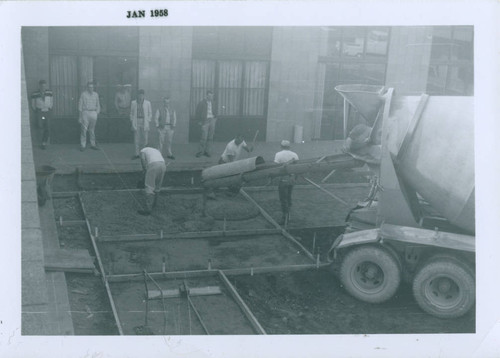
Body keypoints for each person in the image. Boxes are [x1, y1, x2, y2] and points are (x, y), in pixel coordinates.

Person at [274, 140, 299, 225]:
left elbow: (276, 167)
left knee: (283, 198)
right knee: (288, 196)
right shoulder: (294, 155)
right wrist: (295, 178)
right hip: (291, 178)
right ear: (289, 146)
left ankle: (285, 217)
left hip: (283, 179)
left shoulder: (278, 154)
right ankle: (288, 215)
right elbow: (297, 168)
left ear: (281, 146)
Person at [138, 145, 167, 216]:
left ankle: (148, 209)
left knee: (149, 186)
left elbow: (142, 160)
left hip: (153, 165)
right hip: (163, 165)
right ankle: (154, 204)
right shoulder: (156, 150)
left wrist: (144, 170)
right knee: (157, 186)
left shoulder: (143, 150)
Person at [78, 81, 101, 151]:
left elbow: (98, 104)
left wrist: (96, 112)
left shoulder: (96, 94)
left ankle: (93, 144)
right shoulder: (83, 94)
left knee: (92, 130)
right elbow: (80, 105)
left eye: (92, 87)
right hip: (85, 112)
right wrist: (80, 116)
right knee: (84, 130)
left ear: (93, 87)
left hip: (93, 113)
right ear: (87, 87)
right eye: (89, 87)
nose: (91, 88)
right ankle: (83, 145)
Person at [130, 89, 152, 159]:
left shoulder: (147, 103)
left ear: (144, 95)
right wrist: (132, 120)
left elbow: (150, 113)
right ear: (137, 95)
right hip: (137, 121)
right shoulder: (133, 103)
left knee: (145, 138)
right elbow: (131, 113)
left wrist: (148, 120)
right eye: (139, 95)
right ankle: (136, 154)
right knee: (136, 138)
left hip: (144, 121)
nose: (140, 96)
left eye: (142, 95)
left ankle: (145, 154)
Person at [31, 79, 53, 149]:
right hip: (40, 112)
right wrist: (37, 110)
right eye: (42, 86)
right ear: (39, 86)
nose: (43, 87)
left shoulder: (49, 92)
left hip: (47, 112)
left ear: (46, 86)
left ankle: (44, 143)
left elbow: (51, 101)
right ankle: (40, 141)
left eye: (44, 86)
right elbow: (33, 104)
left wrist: (49, 107)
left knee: (47, 126)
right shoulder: (35, 93)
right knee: (40, 126)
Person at [195, 90, 217, 157]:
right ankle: (200, 152)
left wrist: (215, 118)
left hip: (212, 120)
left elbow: (215, 111)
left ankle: (207, 151)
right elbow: (197, 112)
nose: (211, 97)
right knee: (203, 137)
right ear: (206, 95)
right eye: (209, 95)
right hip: (205, 121)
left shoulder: (213, 103)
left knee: (210, 137)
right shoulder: (202, 103)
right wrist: (199, 121)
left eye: (212, 96)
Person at [155, 95, 177, 159]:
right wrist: (157, 127)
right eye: (165, 102)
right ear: (163, 102)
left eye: (168, 102)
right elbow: (156, 118)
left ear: (169, 103)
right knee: (160, 141)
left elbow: (175, 118)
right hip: (162, 127)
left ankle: (169, 154)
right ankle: (158, 154)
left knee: (169, 141)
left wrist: (174, 126)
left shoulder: (172, 109)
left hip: (170, 127)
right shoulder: (159, 109)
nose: (167, 104)